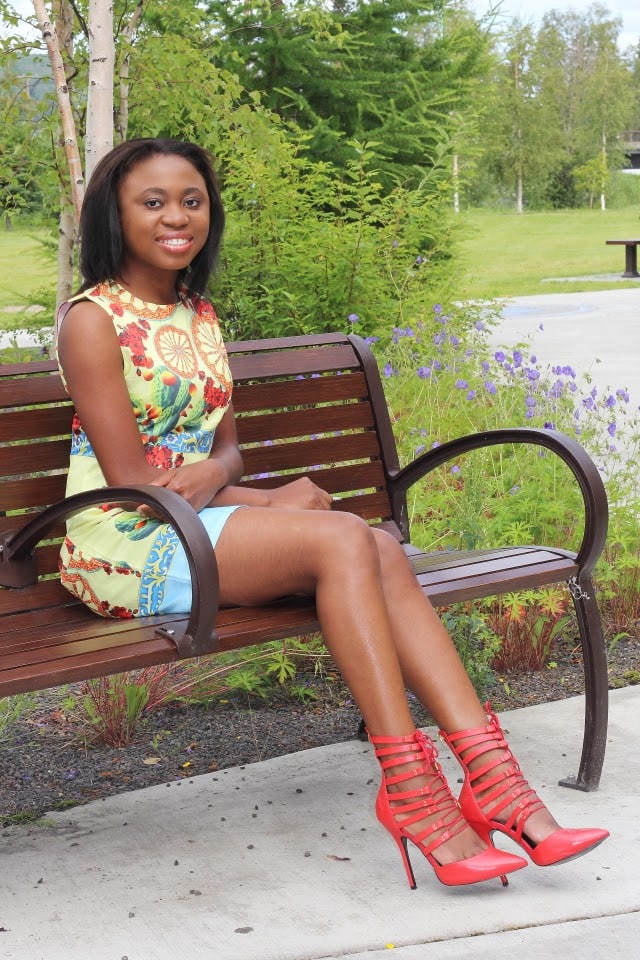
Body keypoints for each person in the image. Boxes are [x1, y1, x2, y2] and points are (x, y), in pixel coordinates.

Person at [55, 138, 608, 891]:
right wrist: (263, 500)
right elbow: (133, 480)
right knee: (349, 539)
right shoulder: (92, 320)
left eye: (192, 200)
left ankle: (492, 783)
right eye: (152, 202)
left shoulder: (198, 313)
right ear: (114, 217)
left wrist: (243, 484)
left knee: (372, 544)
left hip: (197, 523)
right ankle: (418, 793)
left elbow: (224, 456)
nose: (177, 217)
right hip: (124, 541)